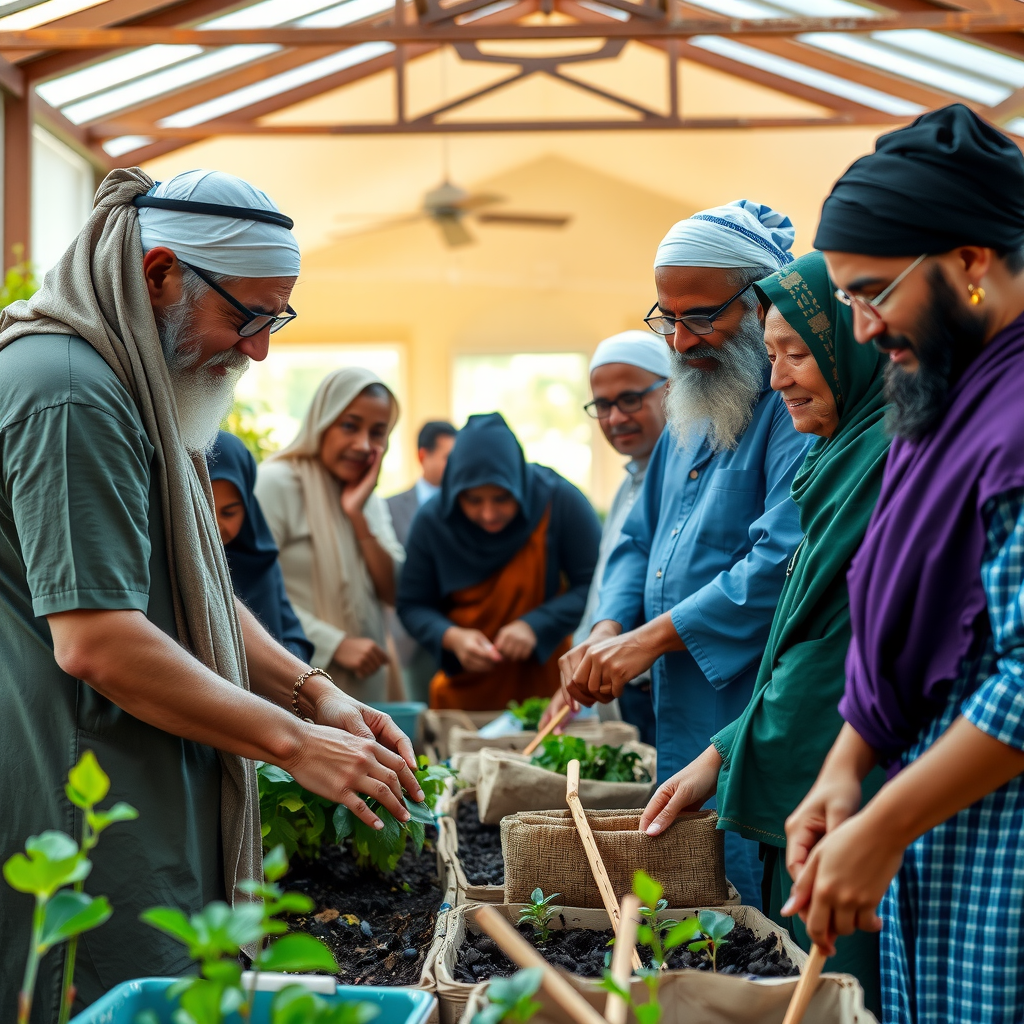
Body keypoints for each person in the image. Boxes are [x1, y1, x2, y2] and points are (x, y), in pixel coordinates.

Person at [0, 168, 421, 1022]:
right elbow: (98, 639)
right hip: (81, 784)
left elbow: (190, 584)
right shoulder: (70, 389)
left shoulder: (131, 375)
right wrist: (294, 745)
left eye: (278, 318)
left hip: (138, 766)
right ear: (158, 275)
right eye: (248, 316)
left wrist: (315, 693)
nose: (261, 348)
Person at [782, 104, 1024, 1023]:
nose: (863, 323)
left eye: (873, 291)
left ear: (968, 264)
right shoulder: (945, 385)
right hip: (933, 818)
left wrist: (884, 824)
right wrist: (849, 765)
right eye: (847, 297)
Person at [638, 251, 889, 1011]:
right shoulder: (836, 452)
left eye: (797, 354)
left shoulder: (878, 460)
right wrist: (724, 750)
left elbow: (835, 657)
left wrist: (727, 742)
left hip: (850, 792)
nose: (779, 378)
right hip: (792, 759)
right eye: (774, 356)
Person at [558, 201, 814, 906]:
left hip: (749, 696)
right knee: (690, 894)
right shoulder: (688, 413)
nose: (681, 337)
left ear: (764, 303)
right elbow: (637, 536)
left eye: (701, 316)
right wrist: (610, 626)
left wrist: (652, 638)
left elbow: (780, 562)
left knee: (748, 897)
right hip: (679, 701)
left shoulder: (796, 410)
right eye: (666, 317)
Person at [397, 412, 601, 710]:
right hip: (464, 698)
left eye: (502, 498)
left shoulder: (557, 501)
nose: (489, 514)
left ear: (519, 485)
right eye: (474, 501)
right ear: (455, 493)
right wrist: (452, 637)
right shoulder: (433, 519)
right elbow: (412, 604)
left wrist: (536, 625)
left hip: (550, 694)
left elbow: (597, 585)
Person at [546, 331, 670, 746]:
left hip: (668, 688)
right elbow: (606, 591)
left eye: (630, 399)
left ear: (672, 389)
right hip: (627, 693)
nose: (615, 418)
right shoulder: (627, 487)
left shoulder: (683, 478)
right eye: (602, 405)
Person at [255, 368, 406, 704]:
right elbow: (247, 589)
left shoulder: (368, 499)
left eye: (378, 432)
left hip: (368, 688)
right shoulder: (276, 483)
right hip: (296, 680)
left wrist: (357, 516)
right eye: (349, 425)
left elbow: (395, 591)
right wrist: (333, 643)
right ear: (322, 422)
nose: (363, 444)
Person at [207, 430, 314, 663]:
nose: (215, 526)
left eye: (229, 512)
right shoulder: (170, 566)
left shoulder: (260, 559)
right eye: (203, 509)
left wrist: (285, 665)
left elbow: (295, 638)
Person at [387, 420, 458, 702]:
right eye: (447, 458)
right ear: (422, 456)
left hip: (460, 639)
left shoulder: (470, 507)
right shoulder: (389, 508)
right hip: (409, 642)